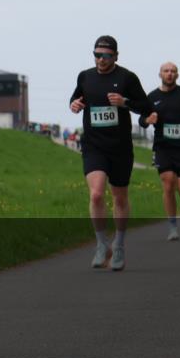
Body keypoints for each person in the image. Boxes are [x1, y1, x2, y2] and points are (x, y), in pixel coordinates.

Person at [69, 35, 150, 271]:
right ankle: (101, 244)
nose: (100, 59)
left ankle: (120, 245)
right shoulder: (85, 76)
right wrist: (74, 104)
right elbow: (76, 98)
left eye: (105, 56)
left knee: (120, 197)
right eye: (97, 55)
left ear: (115, 56)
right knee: (96, 194)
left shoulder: (127, 77)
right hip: (94, 145)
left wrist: (125, 102)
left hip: (120, 147)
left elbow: (145, 106)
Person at [138, 62, 180, 241]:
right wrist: (148, 119)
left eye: (173, 71)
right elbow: (141, 119)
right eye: (166, 71)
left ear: (177, 75)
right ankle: (172, 226)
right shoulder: (152, 96)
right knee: (167, 183)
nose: (170, 74)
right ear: (160, 74)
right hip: (162, 147)